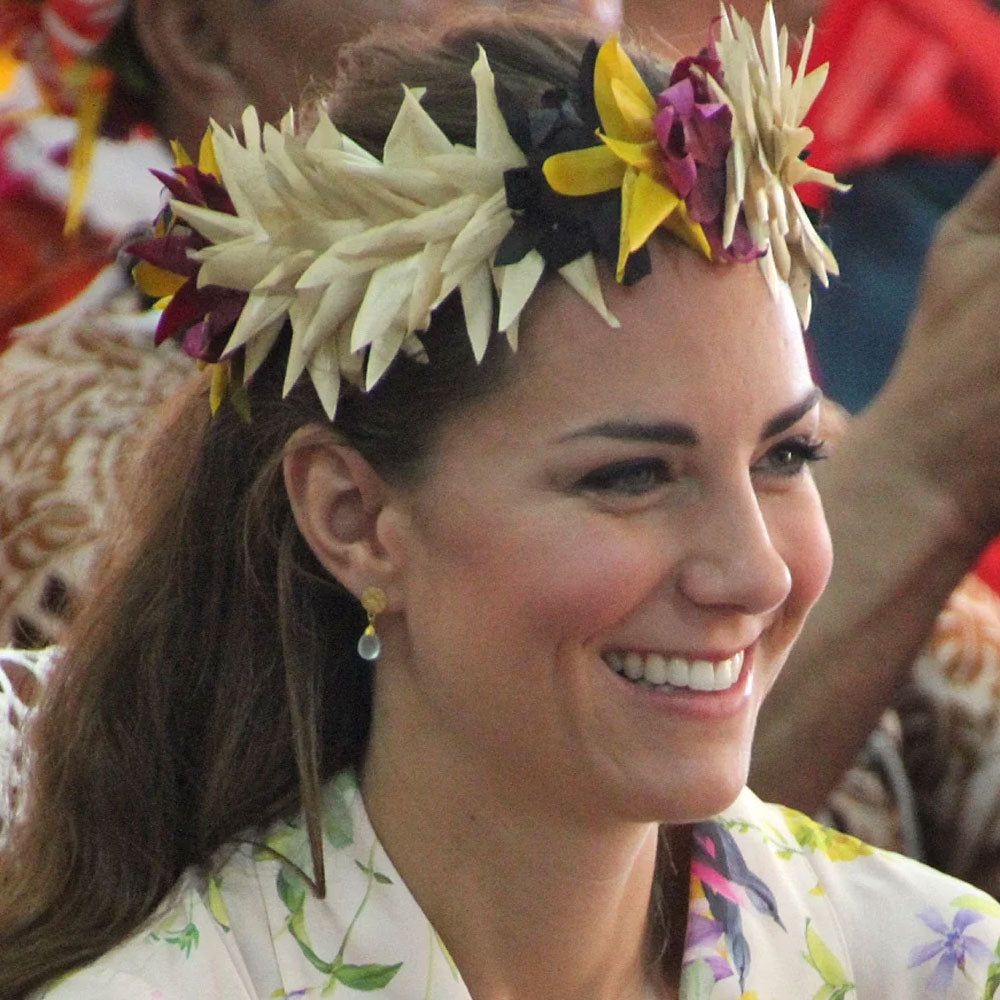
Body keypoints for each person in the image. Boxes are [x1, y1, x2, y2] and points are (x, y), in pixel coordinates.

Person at [4, 9, 1000, 999]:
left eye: (788, 454)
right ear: (351, 517)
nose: (757, 571)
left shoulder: (940, 964)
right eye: (631, 476)